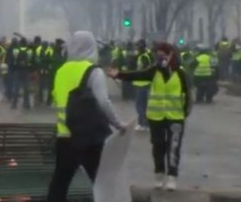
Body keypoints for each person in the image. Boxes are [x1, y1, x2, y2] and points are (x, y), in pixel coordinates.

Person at [46, 31, 126, 202]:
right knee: (99, 181)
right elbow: (103, 102)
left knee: (60, 182)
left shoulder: (61, 71)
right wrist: (118, 124)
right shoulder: (93, 71)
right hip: (88, 138)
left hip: (64, 137)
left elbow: (56, 100)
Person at [109, 42, 192, 191]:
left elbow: (188, 94)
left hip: (176, 117)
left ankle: (172, 177)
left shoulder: (180, 73)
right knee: (158, 146)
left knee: (173, 147)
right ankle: (159, 175)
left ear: (171, 55)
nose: (160, 58)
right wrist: (119, 74)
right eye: (158, 55)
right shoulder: (154, 71)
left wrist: (185, 112)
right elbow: (137, 74)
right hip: (156, 116)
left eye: (163, 55)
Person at [132, 39, 152, 131]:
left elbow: (143, 70)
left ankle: (142, 123)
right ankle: (146, 124)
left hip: (141, 84)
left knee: (140, 105)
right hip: (145, 84)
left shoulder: (143, 57)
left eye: (137, 46)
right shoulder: (146, 56)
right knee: (144, 105)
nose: (136, 48)